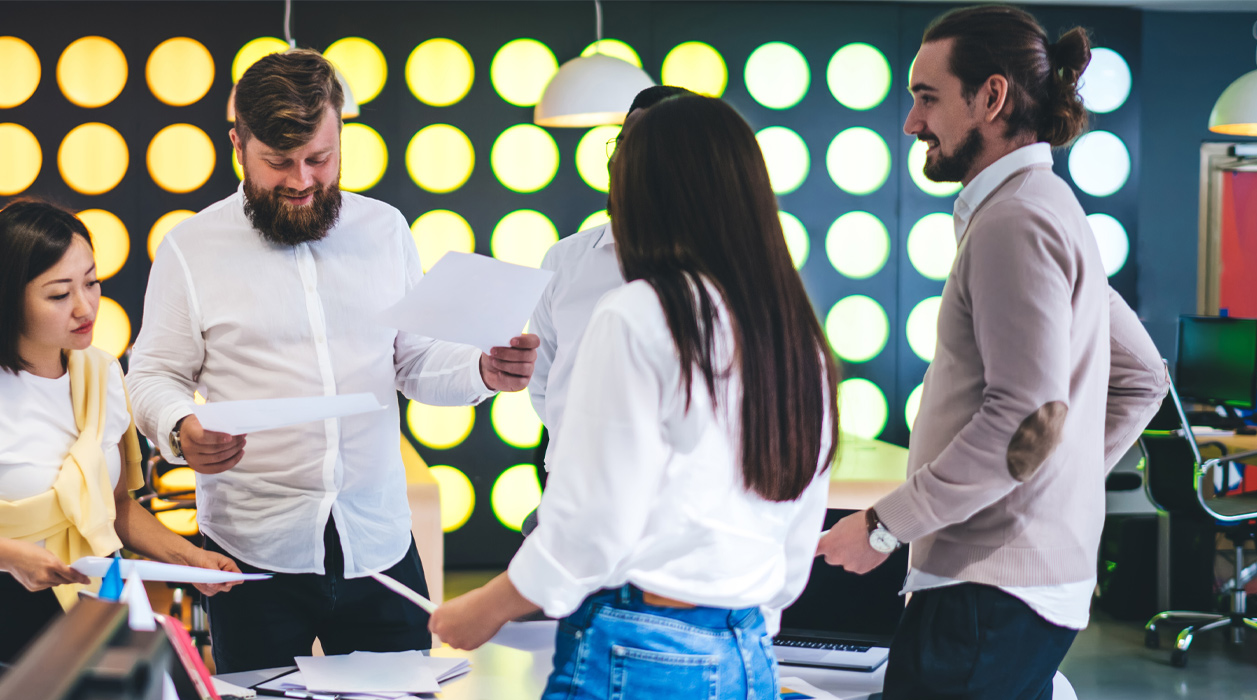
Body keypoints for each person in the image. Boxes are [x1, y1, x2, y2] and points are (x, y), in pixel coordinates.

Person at [125, 48, 539, 673]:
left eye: (319, 159)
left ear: (340, 135)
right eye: (278, 163)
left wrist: (482, 370)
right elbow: (153, 373)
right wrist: (182, 427)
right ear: (238, 145)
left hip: (378, 541)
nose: (301, 181)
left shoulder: (387, 230)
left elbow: (413, 361)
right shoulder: (190, 248)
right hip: (253, 548)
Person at [428, 92, 839, 700]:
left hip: (635, 645)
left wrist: (486, 606)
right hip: (748, 648)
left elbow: (591, 528)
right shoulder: (791, 327)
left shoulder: (638, 314)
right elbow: (799, 519)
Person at [814, 7, 1168, 700]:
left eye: (926, 98)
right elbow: (1143, 377)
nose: (912, 124)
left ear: (993, 98)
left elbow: (1022, 418)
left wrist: (883, 530)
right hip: (1017, 592)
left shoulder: (1015, 221)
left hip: (985, 594)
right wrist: (1051, 484)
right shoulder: (1048, 205)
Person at [0, 200, 243, 686]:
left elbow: (115, 507)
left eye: (91, 282)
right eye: (59, 294)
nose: (85, 306)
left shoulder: (101, 372)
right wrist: (9, 555)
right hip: (2, 616)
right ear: (5, 298)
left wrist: (189, 559)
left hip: (103, 607)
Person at [523, 83, 689, 524]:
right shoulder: (566, 260)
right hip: (571, 489)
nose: (626, 158)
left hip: (676, 502)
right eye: (624, 141)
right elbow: (545, 381)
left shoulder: (723, 270)